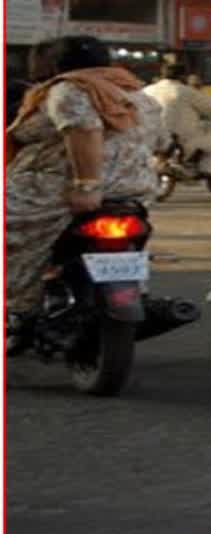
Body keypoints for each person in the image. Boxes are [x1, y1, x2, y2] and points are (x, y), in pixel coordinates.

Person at [6, 36, 167, 326]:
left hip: (60, 191)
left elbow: (84, 131)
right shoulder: (138, 96)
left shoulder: (68, 90)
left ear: (55, 64)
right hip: (134, 189)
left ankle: (18, 305)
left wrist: (87, 186)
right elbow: (160, 140)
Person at [141, 63, 211, 176]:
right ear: (183, 77)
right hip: (180, 136)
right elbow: (210, 110)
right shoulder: (186, 91)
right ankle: (208, 168)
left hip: (148, 134)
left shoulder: (146, 90)